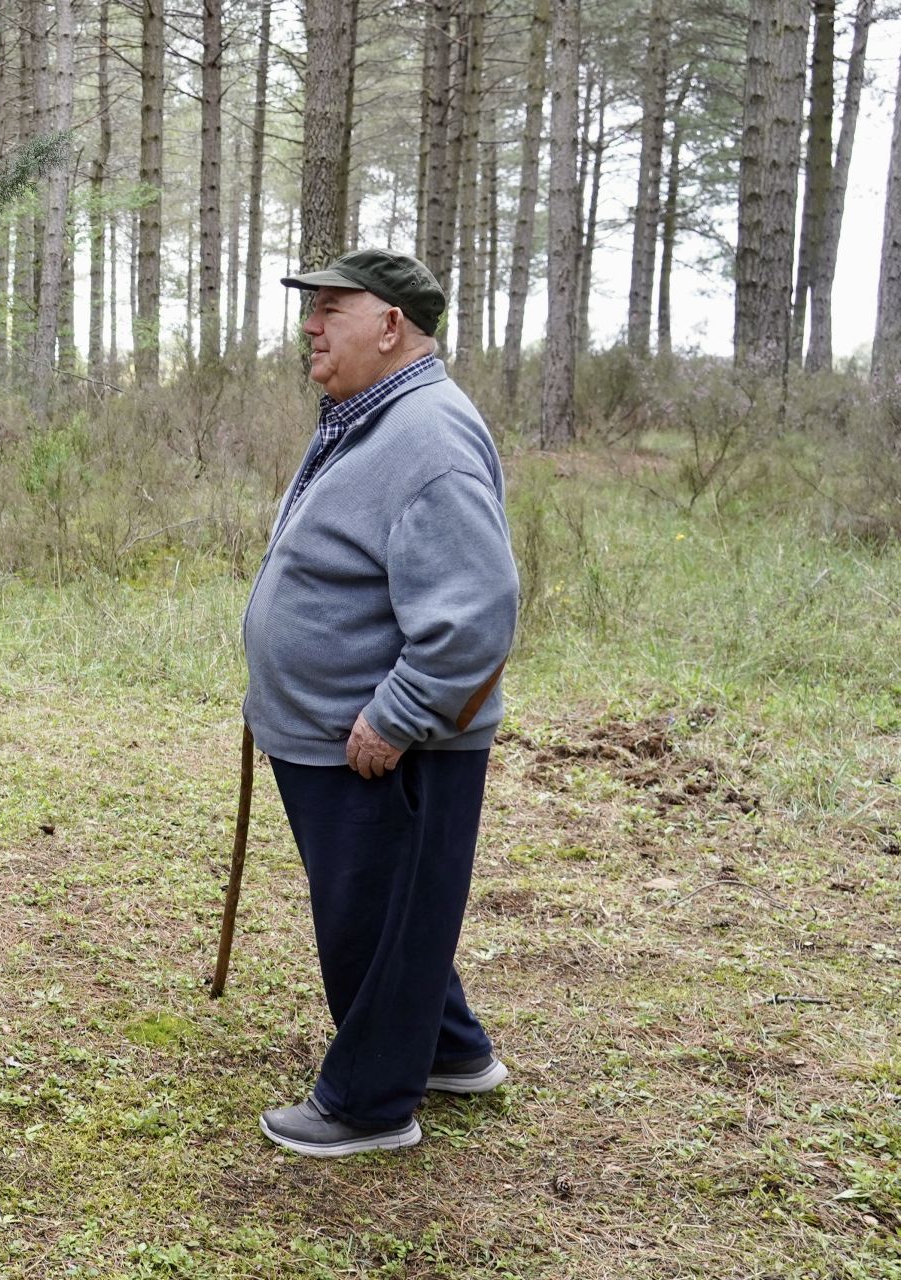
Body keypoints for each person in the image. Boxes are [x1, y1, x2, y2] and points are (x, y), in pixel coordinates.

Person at [244, 248, 519, 1157]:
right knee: (393, 907)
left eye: (330, 307)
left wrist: (396, 717)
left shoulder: (428, 433)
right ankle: (450, 1052)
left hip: (381, 743)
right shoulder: (370, 418)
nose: (310, 325)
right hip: (337, 733)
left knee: (376, 920)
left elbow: (476, 612)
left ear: (389, 324)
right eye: (311, 307)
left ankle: (369, 1102)